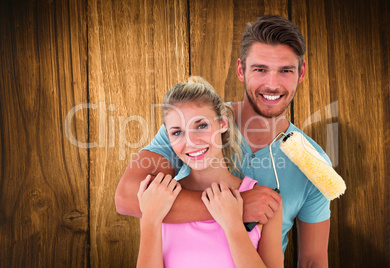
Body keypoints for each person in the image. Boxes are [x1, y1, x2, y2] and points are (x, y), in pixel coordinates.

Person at [116, 14, 331, 267]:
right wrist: (234, 206)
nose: (272, 84)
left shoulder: (315, 164)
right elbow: (128, 197)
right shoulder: (195, 123)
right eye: (260, 69)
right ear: (241, 70)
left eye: (285, 70)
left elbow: (313, 259)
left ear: (301, 72)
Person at [136, 76, 283, 267]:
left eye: (201, 126)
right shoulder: (159, 200)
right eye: (177, 132)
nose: (191, 141)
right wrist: (149, 221)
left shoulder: (265, 203)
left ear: (222, 123)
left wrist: (233, 225)